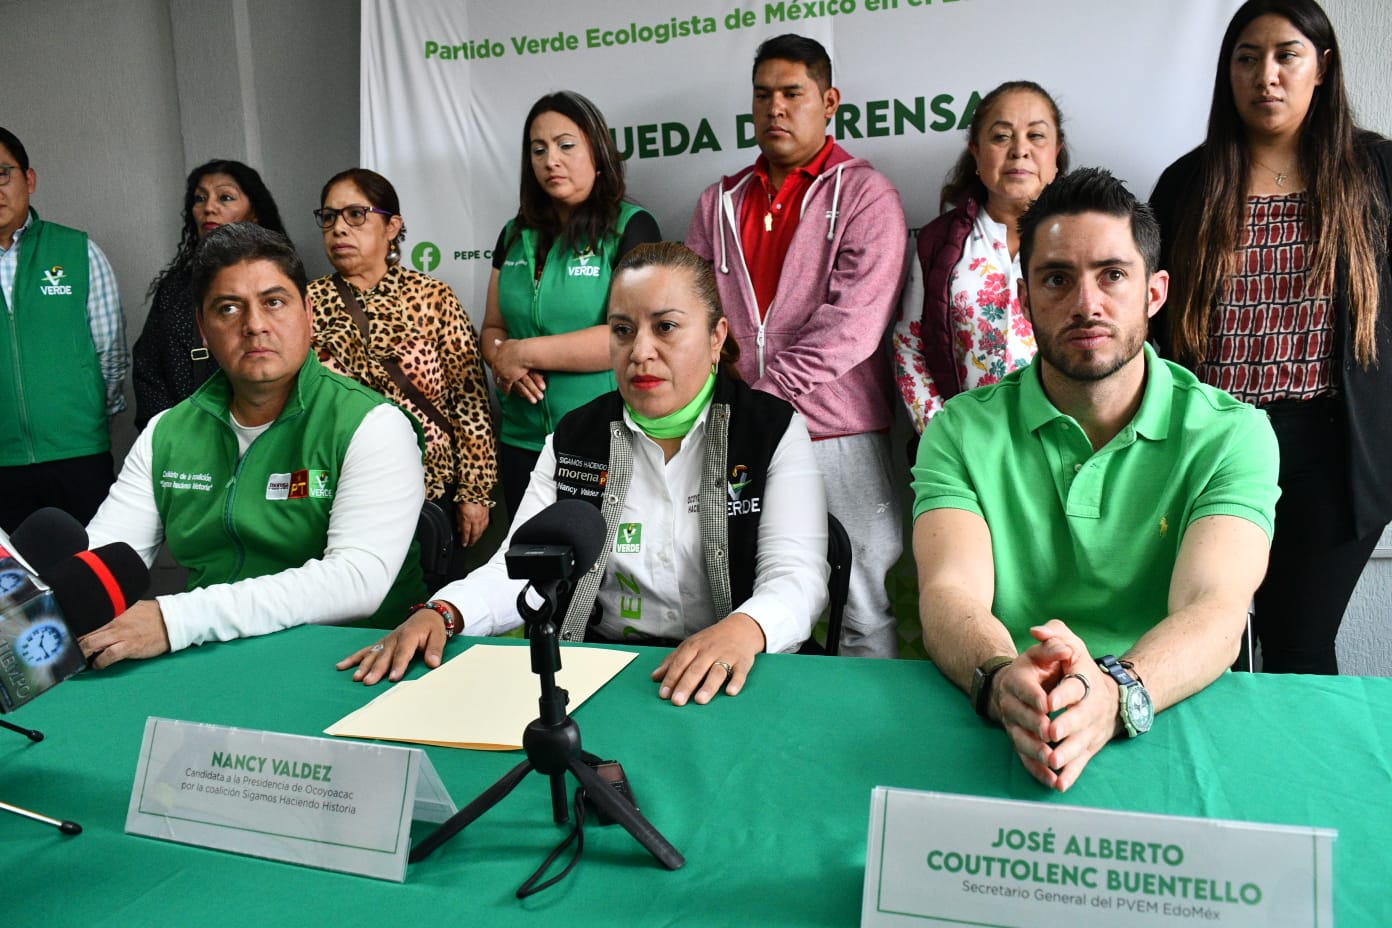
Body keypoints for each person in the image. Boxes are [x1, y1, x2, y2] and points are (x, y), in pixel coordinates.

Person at [912, 168, 1279, 792]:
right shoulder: (958, 430)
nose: (1087, 304)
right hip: (1007, 715)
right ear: (1024, 298)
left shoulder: (1232, 434)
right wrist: (1002, 679)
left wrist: (1113, 691)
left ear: (1154, 293)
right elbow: (950, 594)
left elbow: (1215, 608)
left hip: (1167, 709)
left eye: (1112, 275)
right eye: (1057, 279)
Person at [340, 242, 829, 708]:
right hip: (600, 674)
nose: (640, 351)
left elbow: (796, 577)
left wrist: (745, 629)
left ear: (716, 336)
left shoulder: (769, 430)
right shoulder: (576, 437)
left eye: (666, 327)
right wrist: (444, 612)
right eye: (622, 330)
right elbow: (520, 570)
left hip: (735, 679)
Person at [1150, 0, 1391, 675]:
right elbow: (1152, 321)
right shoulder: (1187, 184)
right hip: (1214, 443)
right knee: (1209, 642)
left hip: (1333, 451)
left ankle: (1299, 752)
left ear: (1323, 67)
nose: (1267, 76)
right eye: (1247, 58)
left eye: (1287, 55)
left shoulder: (1376, 171)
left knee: (1300, 646)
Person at [78, 224, 427, 669]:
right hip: (215, 662)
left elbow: (356, 581)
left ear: (308, 313)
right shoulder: (167, 432)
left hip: (351, 666)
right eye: (229, 308)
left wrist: (175, 619)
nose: (255, 325)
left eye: (274, 302)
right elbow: (104, 557)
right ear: (204, 329)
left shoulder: (372, 425)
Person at [686, 34, 908, 658]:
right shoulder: (718, 201)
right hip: (737, 426)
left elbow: (853, 326)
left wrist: (763, 397)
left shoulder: (866, 195)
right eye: (763, 96)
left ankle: (866, 719)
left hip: (836, 430)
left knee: (862, 600)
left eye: (792, 93)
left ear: (829, 102)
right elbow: (694, 313)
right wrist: (733, 403)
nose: (775, 108)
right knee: (750, 598)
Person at [483, 90, 661, 519]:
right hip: (522, 440)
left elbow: (630, 336)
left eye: (566, 145)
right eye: (538, 150)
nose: (551, 160)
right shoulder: (513, 234)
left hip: (604, 436)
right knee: (529, 558)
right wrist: (503, 360)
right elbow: (492, 328)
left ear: (597, 154)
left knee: (606, 558)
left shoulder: (632, 227)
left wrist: (522, 353)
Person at [308, 168, 496, 548]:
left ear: (392, 227)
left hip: (428, 491)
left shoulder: (433, 297)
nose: (339, 228)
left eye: (355, 214)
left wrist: (474, 492)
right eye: (329, 217)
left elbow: (470, 402)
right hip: (337, 494)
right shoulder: (305, 304)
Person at [894, 81, 1067, 433]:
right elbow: (909, 346)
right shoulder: (939, 242)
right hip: (967, 444)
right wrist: (946, 438)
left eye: (1036, 136)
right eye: (1001, 137)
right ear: (975, 151)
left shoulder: (1087, 238)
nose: (1019, 151)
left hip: (1066, 440)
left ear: (1056, 152)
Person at [0, 126, 129, 532]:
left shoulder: (77, 251)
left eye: (2, 174)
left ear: (29, 179)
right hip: (1, 465)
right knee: (13, 573)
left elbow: (111, 353)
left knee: (91, 564)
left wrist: (85, 417)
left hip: (78, 455)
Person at [132, 160, 286, 430]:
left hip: (265, 433)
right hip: (183, 436)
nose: (209, 208)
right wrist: (168, 432)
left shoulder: (282, 280)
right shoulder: (175, 288)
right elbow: (148, 369)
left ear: (254, 213)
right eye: (200, 198)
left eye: (225, 197)